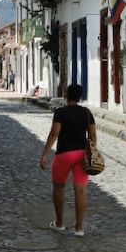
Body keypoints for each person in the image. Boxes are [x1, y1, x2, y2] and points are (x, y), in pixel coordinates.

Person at [40, 83, 96, 236]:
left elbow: (54, 133)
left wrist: (45, 153)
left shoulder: (60, 112)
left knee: (58, 187)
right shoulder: (87, 113)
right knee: (81, 190)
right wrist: (91, 153)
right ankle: (79, 228)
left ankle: (60, 223)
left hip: (64, 155)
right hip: (81, 155)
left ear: (66, 95)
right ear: (80, 96)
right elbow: (92, 135)